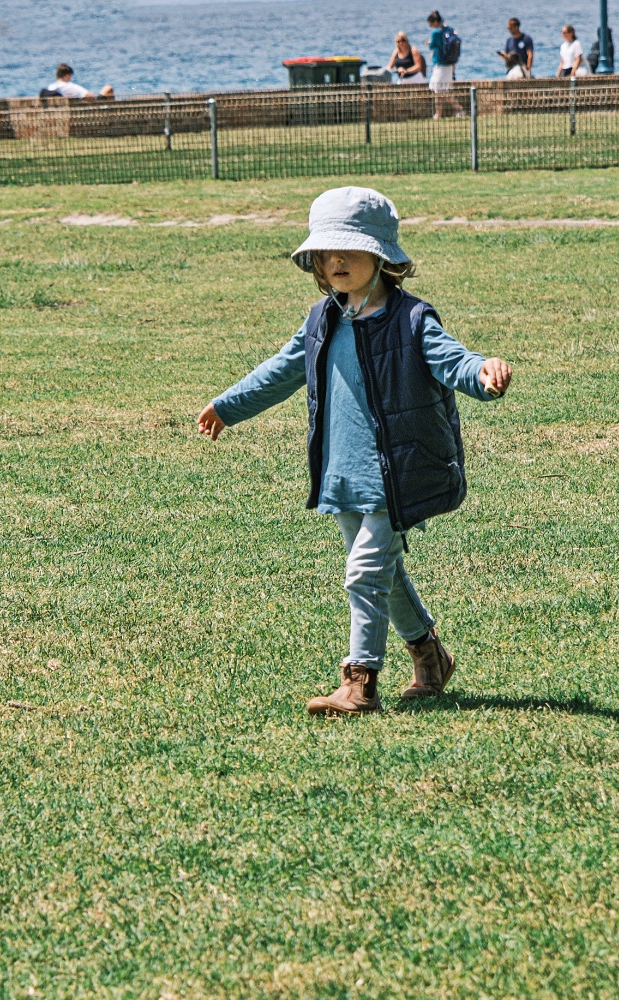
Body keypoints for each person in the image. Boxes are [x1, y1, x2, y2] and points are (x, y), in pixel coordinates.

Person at [195, 187, 512, 716]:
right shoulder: (324, 317)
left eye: (349, 250)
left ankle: (359, 682)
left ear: (381, 255)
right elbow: (281, 369)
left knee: (364, 571)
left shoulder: (412, 319)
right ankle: (430, 654)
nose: (336, 261)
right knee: (381, 573)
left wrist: (482, 372)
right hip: (342, 470)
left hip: (397, 470)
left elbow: (452, 359)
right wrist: (228, 405)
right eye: (326, 253)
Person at [425, 11, 459, 117]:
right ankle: (441, 113)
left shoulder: (436, 33)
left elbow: (432, 46)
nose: (431, 26)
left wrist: (429, 43)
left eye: (431, 24)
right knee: (442, 89)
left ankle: (443, 112)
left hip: (440, 64)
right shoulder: (448, 29)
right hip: (449, 64)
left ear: (435, 22)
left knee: (439, 88)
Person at [44, 63, 114, 100]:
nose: (70, 79)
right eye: (70, 76)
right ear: (67, 75)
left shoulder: (51, 87)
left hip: (63, 112)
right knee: (108, 88)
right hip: (87, 112)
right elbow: (89, 96)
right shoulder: (67, 85)